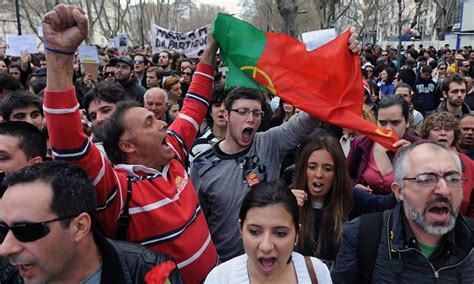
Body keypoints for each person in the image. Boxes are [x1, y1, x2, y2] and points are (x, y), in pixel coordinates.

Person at [41, 5, 218, 283]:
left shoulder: (172, 151)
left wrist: (210, 50)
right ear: (127, 146)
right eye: (149, 122)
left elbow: (194, 106)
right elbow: (70, 146)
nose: (162, 123)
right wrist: (60, 56)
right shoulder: (120, 190)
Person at [191, 27, 361, 262]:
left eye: (257, 113)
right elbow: (197, 225)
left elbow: (313, 114)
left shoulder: (269, 143)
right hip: (226, 267)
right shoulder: (202, 165)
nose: (251, 119)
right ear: (226, 115)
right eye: (242, 112)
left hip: (273, 262)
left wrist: (341, 56)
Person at [0, 161, 183, 283]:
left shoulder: (149, 273)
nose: (5, 248)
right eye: (2, 229)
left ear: (79, 226)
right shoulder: (8, 275)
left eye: (26, 230)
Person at [332, 141, 474, 283]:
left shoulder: (470, 241)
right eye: (426, 179)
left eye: (453, 179)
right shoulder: (363, 236)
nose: (444, 190)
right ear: (399, 191)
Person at [291, 131, 397, 266]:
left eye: (327, 169)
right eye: (312, 167)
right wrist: (283, 208)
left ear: (338, 173)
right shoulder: (287, 201)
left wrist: (408, 167)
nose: (319, 174)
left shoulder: (353, 199)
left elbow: (389, 205)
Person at [204, 181, 332, 283]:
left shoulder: (317, 272)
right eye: (255, 232)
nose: (266, 246)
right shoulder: (220, 279)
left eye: (280, 233)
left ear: (297, 234)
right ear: (241, 229)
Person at [347, 95, 418, 195]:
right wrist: (354, 187)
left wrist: (415, 158)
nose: (388, 129)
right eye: (383, 123)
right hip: (366, 208)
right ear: (376, 122)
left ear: (407, 122)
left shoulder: (420, 147)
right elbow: (345, 176)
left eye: (395, 122)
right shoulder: (360, 144)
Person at [419, 111, 474, 217]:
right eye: (436, 129)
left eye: (448, 129)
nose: (443, 133)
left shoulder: (468, 164)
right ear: (427, 134)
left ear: (455, 135)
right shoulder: (416, 160)